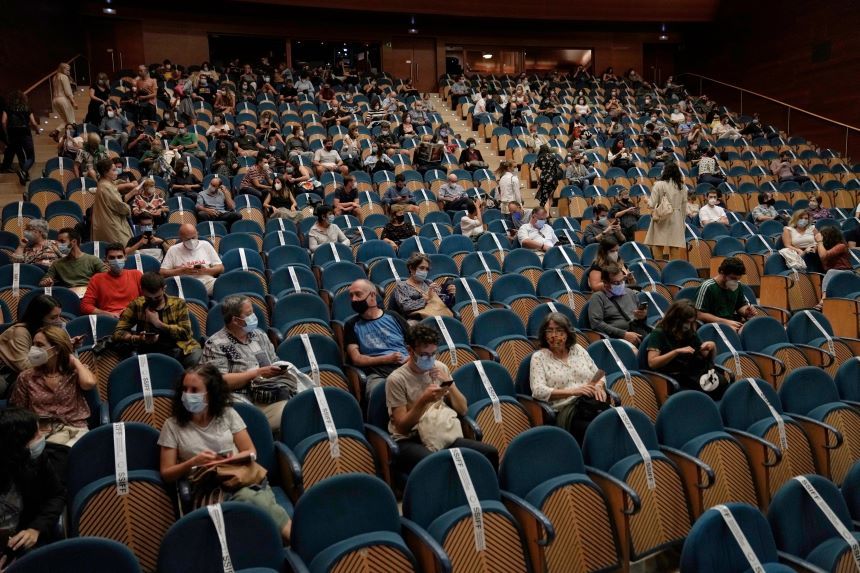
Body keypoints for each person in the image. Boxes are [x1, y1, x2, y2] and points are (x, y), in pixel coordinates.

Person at [158, 365, 291, 542]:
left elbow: (250, 451)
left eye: (194, 390)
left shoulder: (228, 414)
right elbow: (167, 473)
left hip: (239, 476)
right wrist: (193, 462)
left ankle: (284, 544)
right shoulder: (172, 425)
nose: (187, 394)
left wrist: (228, 459)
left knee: (252, 498)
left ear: (210, 393)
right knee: (255, 501)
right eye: (184, 389)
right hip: (207, 488)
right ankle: (291, 541)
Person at [386, 324, 499, 472]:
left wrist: (449, 384)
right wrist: (423, 401)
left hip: (439, 431)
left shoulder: (440, 367)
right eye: (424, 355)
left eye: (433, 354)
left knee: (489, 452)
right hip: (411, 438)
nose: (430, 359)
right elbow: (401, 428)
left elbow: (463, 410)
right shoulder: (396, 379)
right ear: (410, 351)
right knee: (436, 464)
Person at [200, 296, 291, 429]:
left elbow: (274, 361)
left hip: (268, 394)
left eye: (252, 312)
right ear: (235, 320)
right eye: (248, 314)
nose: (253, 316)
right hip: (238, 403)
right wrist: (255, 373)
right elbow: (218, 381)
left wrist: (278, 370)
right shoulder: (216, 344)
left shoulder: (259, 335)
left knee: (296, 409)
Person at [10, 325, 96, 448]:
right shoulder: (26, 377)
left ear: (56, 349)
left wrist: (74, 360)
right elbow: (19, 411)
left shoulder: (75, 372)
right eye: (33, 345)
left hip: (75, 429)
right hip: (41, 432)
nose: (34, 349)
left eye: (40, 345)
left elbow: (89, 383)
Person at [529, 312, 608, 444]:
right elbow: (538, 391)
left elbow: (598, 374)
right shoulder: (539, 358)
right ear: (544, 334)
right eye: (550, 331)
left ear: (567, 333)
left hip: (590, 403)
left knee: (616, 419)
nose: (554, 335)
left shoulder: (577, 349)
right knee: (595, 429)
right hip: (567, 410)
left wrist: (599, 386)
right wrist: (574, 391)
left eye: (559, 330)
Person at [0, 408, 65, 561]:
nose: (41, 437)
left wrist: (36, 528)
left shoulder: (36, 459)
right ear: (16, 444)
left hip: (19, 541)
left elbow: (57, 495)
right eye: (35, 435)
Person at [113, 272, 202, 368]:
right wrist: (138, 338)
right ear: (142, 290)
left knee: (196, 356)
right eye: (148, 298)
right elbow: (118, 332)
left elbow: (186, 334)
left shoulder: (178, 304)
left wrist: (158, 324)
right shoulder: (137, 305)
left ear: (164, 288)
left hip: (178, 348)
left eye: (157, 297)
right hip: (148, 350)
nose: (153, 300)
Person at [345, 279, 409, 398]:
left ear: (372, 295)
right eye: (351, 296)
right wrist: (387, 359)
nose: (353, 299)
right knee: (377, 393)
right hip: (378, 374)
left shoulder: (393, 316)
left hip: (407, 366)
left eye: (358, 294)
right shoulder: (351, 325)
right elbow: (356, 359)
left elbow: (416, 343)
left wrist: (411, 358)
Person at [646, 300, 719, 394]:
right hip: (670, 380)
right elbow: (652, 363)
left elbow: (707, 358)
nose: (688, 326)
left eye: (691, 322)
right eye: (686, 322)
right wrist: (676, 352)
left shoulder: (690, 332)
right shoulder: (659, 333)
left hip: (691, 375)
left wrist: (712, 347)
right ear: (675, 319)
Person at [0, 296, 63, 396]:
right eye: (53, 318)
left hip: (22, 374)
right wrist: (54, 351)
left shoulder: (44, 330)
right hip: (5, 376)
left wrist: (67, 346)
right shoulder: (20, 332)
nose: (58, 321)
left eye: (59, 316)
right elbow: (25, 367)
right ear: (39, 317)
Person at [588, 263, 649, 345]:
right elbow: (596, 323)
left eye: (622, 281)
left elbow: (639, 320)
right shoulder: (598, 297)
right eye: (616, 283)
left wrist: (643, 316)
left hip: (637, 332)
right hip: (616, 339)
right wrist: (623, 334)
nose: (621, 285)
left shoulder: (630, 293)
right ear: (605, 283)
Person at [80, 243, 142, 317]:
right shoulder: (97, 279)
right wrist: (106, 314)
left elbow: (148, 299)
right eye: (112, 258)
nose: (116, 260)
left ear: (125, 257)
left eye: (119, 257)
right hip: (109, 320)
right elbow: (85, 306)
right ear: (106, 259)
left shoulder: (136, 275)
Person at [694, 257, 756, 331]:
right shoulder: (707, 286)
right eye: (733, 278)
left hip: (732, 322)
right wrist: (724, 322)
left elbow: (740, 305)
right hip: (713, 326)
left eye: (738, 279)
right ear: (722, 273)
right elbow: (698, 314)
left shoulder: (737, 284)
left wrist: (745, 311)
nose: (735, 282)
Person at [160, 224, 224, 295]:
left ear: (197, 234)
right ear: (181, 238)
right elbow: (162, 272)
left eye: (193, 237)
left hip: (206, 282)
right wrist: (182, 271)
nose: (191, 241)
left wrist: (205, 271)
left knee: (223, 285)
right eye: (187, 239)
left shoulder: (206, 245)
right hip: (183, 285)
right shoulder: (173, 250)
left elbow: (220, 268)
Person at [39, 228, 106, 295]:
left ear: (74, 242)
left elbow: (107, 277)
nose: (58, 244)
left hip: (89, 294)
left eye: (62, 241)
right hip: (68, 296)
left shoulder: (93, 260)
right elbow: (42, 282)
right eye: (58, 242)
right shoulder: (57, 264)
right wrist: (46, 282)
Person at [393, 254, 455, 320]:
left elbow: (442, 303)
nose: (424, 271)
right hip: (416, 321)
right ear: (411, 268)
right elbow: (406, 307)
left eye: (427, 269)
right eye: (421, 268)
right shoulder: (402, 286)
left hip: (437, 316)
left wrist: (450, 294)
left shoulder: (429, 283)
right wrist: (426, 298)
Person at [644, 162, 686, 259]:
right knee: (674, 246)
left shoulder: (659, 184)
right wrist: (682, 221)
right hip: (677, 217)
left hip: (662, 216)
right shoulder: (682, 186)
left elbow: (651, 204)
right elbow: (684, 206)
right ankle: (673, 271)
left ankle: (659, 269)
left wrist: (646, 200)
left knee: (658, 244)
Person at [1, 91, 39, 185]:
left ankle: (24, 176)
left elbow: (3, 121)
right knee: (31, 157)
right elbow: (33, 123)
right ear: (23, 98)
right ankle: (23, 171)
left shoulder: (7, 108)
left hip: (12, 133)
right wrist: (37, 130)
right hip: (25, 133)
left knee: (20, 154)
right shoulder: (27, 108)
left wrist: (6, 133)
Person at [92, 158, 133, 245]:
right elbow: (120, 207)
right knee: (123, 248)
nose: (117, 172)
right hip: (111, 224)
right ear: (105, 172)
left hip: (106, 221)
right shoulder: (106, 187)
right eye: (113, 170)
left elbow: (114, 185)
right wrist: (129, 208)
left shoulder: (103, 183)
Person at [815, 226, 852, 306]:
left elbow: (823, 256)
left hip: (845, 271)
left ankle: (823, 299)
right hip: (830, 273)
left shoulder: (841, 246)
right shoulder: (824, 246)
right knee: (830, 272)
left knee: (831, 271)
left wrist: (820, 242)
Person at [534, 145, 562, 210]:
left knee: (545, 199)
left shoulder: (540, 157)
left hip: (545, 179)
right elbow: (560, 165)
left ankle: (546, 215)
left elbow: (536, 169)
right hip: (554, 179)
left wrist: (538, 180)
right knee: (550, 196)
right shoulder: (553, 156)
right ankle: (548, 213)